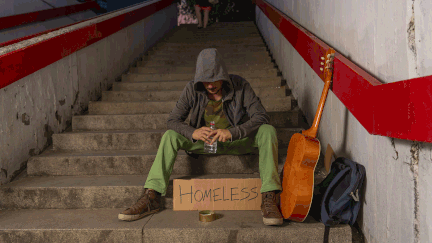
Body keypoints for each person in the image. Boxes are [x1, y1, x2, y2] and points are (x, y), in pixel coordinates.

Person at [118, 48, 283, 226]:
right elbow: (172, 120)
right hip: (203, 143)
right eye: (205, 81)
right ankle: (152, 196)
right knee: (170, 136)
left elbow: (261, 116)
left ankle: (269, 197)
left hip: (236, 141)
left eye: (214, 80)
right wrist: (193, 132)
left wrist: (232, 133)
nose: (210, 85)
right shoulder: (192, 89)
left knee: (268, 130)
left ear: (223, 76)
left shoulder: (240, 86)